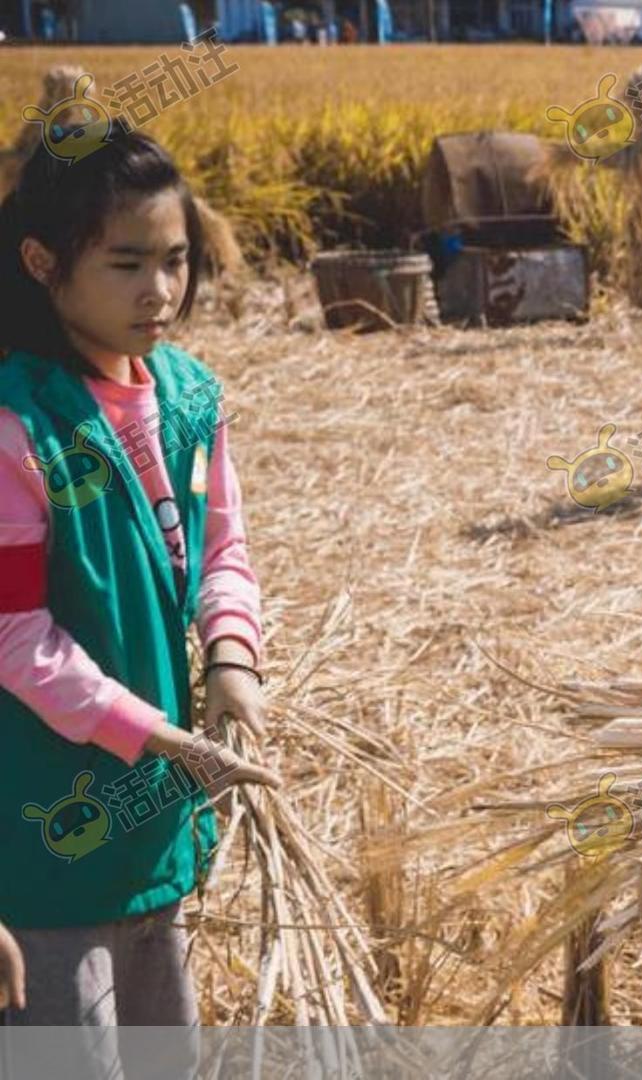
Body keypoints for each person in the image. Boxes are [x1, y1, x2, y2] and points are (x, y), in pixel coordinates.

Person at [0, 125, 281, 1059]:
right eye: (127, 264)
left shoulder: (188, 398)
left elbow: (221, 545)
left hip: (154, 816)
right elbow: (17, 638)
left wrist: (232, 658)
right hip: (43, 829)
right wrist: (154, 733)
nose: (160, 291)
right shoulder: (20, 424)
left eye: (176, 261)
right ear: (43, 262)